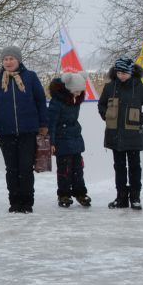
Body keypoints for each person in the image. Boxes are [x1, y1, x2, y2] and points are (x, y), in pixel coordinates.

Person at [0, 45, 48, 213]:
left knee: (26, 168)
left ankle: (27, 202)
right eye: (5, 59)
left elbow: (41, 101)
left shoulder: (31, 77)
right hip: (5, 131)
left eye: (11, 58)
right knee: (12, 169)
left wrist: (43, 124)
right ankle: (14, 202)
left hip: (28, 130)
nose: (8, 62)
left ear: (18, 60)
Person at [98, 57, 143, 210]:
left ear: (131, 72)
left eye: (125, 73)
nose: (122, 76)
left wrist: (140, 120)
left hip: (133, 136)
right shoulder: (109, 87)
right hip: (114, 135)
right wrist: (107, 115)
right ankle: (121, 198)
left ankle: (135, 197)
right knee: (119, 167)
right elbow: (101, 104)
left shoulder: (142, 88)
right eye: (119, 73)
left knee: (134, 167)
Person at [46, 72, 92, 208]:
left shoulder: (76, 100)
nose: (78, 94)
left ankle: (80, 193)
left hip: (75, 138)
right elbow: (52, 124)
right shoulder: (57, 102)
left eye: (80, 91)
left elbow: (73, 119)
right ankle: (64, 194)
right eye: (76, 91)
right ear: (68, 88)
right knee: (64, 169)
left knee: (78, 168)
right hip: (61, 140)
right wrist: (52, 143)